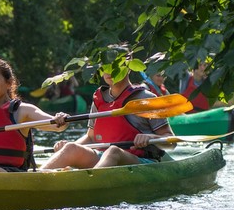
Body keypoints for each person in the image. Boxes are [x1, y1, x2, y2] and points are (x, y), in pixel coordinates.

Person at [40, 69, 175, 170]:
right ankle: (35, 178)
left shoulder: (147, 98)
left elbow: (171, 142)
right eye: (106, 65)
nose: (109, 70)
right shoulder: (100, 99)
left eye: (115, 65)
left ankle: (90, 185)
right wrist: (65, 151)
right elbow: (90, 137)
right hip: (102, 159)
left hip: (141, 161)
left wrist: (149, 137)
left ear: (128, 67)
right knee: (70, 147)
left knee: (113, 151)